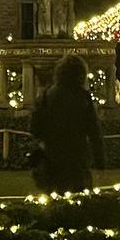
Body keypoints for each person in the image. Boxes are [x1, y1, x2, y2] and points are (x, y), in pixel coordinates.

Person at [28, 55, 106, 193]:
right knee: (80, 203)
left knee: (54, 204)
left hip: (52, 159)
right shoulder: (83, 97)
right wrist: (100, 163)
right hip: (77, 159)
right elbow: (94, 131)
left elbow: (34, 127)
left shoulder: (46, 96)